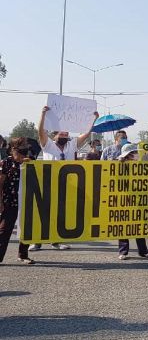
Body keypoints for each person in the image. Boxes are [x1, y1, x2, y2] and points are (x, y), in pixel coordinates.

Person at [32, 105, 98, 251]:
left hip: (66, 184)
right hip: (48, 183)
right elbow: (40, 131)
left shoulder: (72, 145)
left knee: (60, 213)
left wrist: (93, 119)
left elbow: (86, 134)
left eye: (66, 134)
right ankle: (37, 241)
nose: (64, 136)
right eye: (61, 134)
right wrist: (43, 115)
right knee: (44, 212)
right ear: (55, 135)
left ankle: (56, 240)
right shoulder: (48, 145)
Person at [116, 144, 148, 260]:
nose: (136, 155)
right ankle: (123, 251)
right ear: (128, 155)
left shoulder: (140, 165)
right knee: (124, 225)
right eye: (134, 153)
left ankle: (143, 251)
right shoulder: (118, 165)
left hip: (139, 199)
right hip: (124, 199)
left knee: (139, 225)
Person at [0, 138, 34, 264]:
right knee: (4, 229)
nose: (22, 156)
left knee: (26, 228)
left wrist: (29, 163)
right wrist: (1, 202)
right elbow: (1, 182)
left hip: (26, 201)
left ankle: (23, 255)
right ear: (13, 150)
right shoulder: (7, 162)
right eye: (20, 153)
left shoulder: (30, 162)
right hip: (10, 201)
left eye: (24, 153)